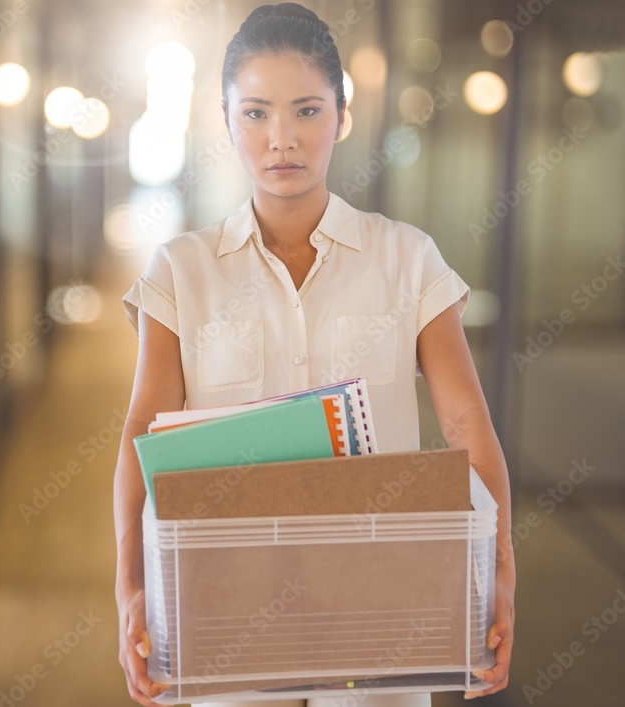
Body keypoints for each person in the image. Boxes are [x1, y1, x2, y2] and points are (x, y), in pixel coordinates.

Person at [113, 3, 515, 706]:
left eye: (305, 110)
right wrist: (134, 585)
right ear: (226, 118)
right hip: (227, 608)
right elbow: (141, 432)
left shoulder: (407, 258)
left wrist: (498, 571)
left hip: (379, 610)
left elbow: (465, 424)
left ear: (342, 114)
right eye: (257, 113)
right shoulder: (181, 270)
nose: (282, 139)